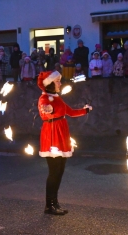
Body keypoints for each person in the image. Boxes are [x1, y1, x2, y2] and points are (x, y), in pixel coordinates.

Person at [37, 71, 92, 215]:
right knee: (54, 172)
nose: (60, 83)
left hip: (61, 135)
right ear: (49, 84)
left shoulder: (58, 98)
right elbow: (44, 110)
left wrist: (85, 110)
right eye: (57, 81)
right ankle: (49, 205)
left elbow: (71, 112)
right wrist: (48, 109)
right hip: (52, 136)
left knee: (59, 171)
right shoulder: (44, 98)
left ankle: (55, 203)